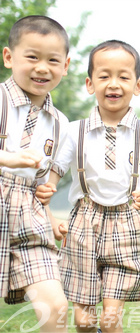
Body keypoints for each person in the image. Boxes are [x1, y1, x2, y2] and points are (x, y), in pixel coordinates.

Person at [36, 40, 140, 333]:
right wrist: (48, 194)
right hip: (83, 225)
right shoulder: (74, 132)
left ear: (137, 85)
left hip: (126, 226)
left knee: (110, 320)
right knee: (83, 321)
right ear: (90, 84)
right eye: (104, 76)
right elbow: (55, 173)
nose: (114, 84)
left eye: (123, 77)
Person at [0, 15, 70, 332]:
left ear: (65, 66)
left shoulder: (59, 123)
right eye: (32, 57)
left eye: (52, 60)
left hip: (30, 217)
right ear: (8, 57)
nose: (42, 68)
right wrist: (8, 160)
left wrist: (51, 215)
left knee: (54, 306)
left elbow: (42, 181)